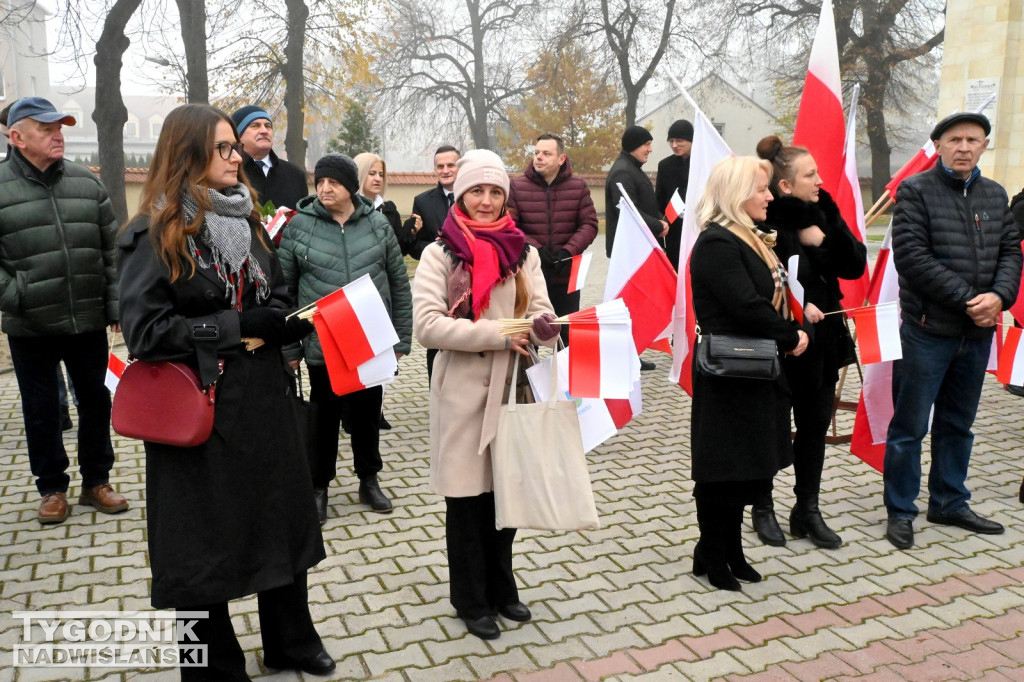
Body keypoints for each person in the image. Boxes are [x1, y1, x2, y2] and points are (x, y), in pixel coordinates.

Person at [117, 103, 333, 680]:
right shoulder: (154, 232)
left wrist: (287, 317)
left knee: (280, 518)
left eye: (234, 147)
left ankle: (291, 640)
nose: (237, 157)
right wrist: (238, 327)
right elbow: (146, 333)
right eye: (223, 148)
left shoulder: (249, 219)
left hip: (265, 398)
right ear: (188, 154)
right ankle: (211, 662)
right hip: (199, 406)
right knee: (200, 543)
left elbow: (277, 292)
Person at [412, 149, 558, 639]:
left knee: (506, 494)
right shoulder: (440, 253)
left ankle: (503, 587)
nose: (487, 200)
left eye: (496, 191)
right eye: (477, 190)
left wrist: (545, 329)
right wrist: (496, 334)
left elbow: (542, 312)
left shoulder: (524, 252)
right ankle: (469, 599)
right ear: (460, 193)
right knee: (467, 501)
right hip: (463, 391)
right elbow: (428, 327)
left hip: (514, 387)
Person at [883, 112, 1022, 549]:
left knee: (958, 425)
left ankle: (949, 501)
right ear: (939, 146)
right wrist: (971, 299)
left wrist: (999, 297)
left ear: (984, 146)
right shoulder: (915, 191)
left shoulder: (995, 194)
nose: (964, 147)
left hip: (976, 335)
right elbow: (912, 257)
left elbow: (1010, 255)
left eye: (973, 140)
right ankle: (901, 510)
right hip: (928, 331)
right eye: (955, 139)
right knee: (909, 427)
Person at [0, 96, 128, 525]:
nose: (59, 134)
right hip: (30, 323)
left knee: (95, 401)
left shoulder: (86, 184)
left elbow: (111, 252)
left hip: (87, 318)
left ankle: (97, 481)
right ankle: (52, 488)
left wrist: (113, 304)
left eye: (61, 126)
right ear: (16, 137)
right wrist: (17, 294)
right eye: (46, 127)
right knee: (41, 410)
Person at [688, 155, 808, 591]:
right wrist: (790, 334)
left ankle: (728, 549)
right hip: (728, 371)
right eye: (761, 188)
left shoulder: (750, 238)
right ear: (738, 194)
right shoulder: (719, 243)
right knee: (722, 469)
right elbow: (745, 304)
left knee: (747, 468)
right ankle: (713, 553)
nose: (770, 195)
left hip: (754, 368)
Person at [279, 153, 412, 521]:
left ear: (350, 185)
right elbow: (285, 293)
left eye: (333, 182)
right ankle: (318, 486)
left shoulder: (377, 224)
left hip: (369, 339)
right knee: (322, 419)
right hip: (322, 343)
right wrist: (290, 347)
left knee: (367, 415)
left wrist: (401, 339)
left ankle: (369, 479)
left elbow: (400, 283)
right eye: (320, 181)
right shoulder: (299, 227)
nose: (325, 188)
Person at [753, 135, 867, 549]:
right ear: (785, 185)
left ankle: (807, 509)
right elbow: (758, 282)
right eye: (811, 174)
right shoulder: (762, 217)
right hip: (780, 340)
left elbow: (855, 264)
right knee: (770, 425)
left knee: (815, 425)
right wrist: (795, 239)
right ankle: (761, 507)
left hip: (824, 338)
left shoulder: (824, 209)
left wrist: (823, 239)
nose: (820, 179)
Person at [507, 133, 598, 344]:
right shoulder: (518, 187)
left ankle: (564, 377)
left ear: (561, 159)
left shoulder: (578, 186)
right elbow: (510, 226)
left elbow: (589, 224)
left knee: (567, 336)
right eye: (537, 152)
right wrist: (535, 249)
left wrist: (569, 251)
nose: (539, 157)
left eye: (546, 153)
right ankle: (527, 378)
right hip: (528, 275)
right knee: (529, 336)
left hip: (566, 275)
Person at [605, 126, 666, 371]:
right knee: (628, 304)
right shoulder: (622, 172)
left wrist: (661, 218)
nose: (650, 150)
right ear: (634, 145)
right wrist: (656, 224)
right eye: (646, 145)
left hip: (637, 246)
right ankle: (625, 354)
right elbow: (627, 208)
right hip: (628, 249)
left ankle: (633, 352)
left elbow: (643, 204)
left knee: (635, 305)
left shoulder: (631, 168)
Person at [404, 145, 461, 381]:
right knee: (437, 340)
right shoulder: (423, 201)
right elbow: (415, 248)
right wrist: (437, 249)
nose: (445, 170)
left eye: (451, 165)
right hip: (437, 282)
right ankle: (436, 391)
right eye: (440, 166)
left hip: (471, 281)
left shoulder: (475, 195)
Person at [231, 105, 308, 220]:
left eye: (268, 126)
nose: (264, 131)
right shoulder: (230, 173)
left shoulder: (295, 175)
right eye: (255, 126)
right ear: (238, 135)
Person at [656, 119, 693, 271]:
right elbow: (659, 199)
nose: (674, 145)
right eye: (671, 141)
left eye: (679, 140)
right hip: (675, 232)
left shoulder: (704, 164)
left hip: (699, 229)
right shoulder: (665, 165)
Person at [354, 152, 404, 244]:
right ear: (359, 175)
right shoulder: (348, 208)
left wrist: (411, 233)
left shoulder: (390, 209)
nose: (378, 179)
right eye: (372, 173)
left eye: (381, 175)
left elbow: (400, 248)